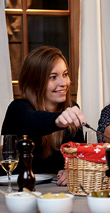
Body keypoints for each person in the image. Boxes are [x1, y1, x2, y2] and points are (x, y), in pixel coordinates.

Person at [1, 46, 86, 186]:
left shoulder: (71, 109)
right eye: (53, 77)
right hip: (16, 191)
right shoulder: (18, 108)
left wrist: (71, 170)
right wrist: (57, 120)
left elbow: (78, 156)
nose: (63, 83)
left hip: (55, 193)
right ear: (35, 83)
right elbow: (32, 121)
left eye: (65, 74)